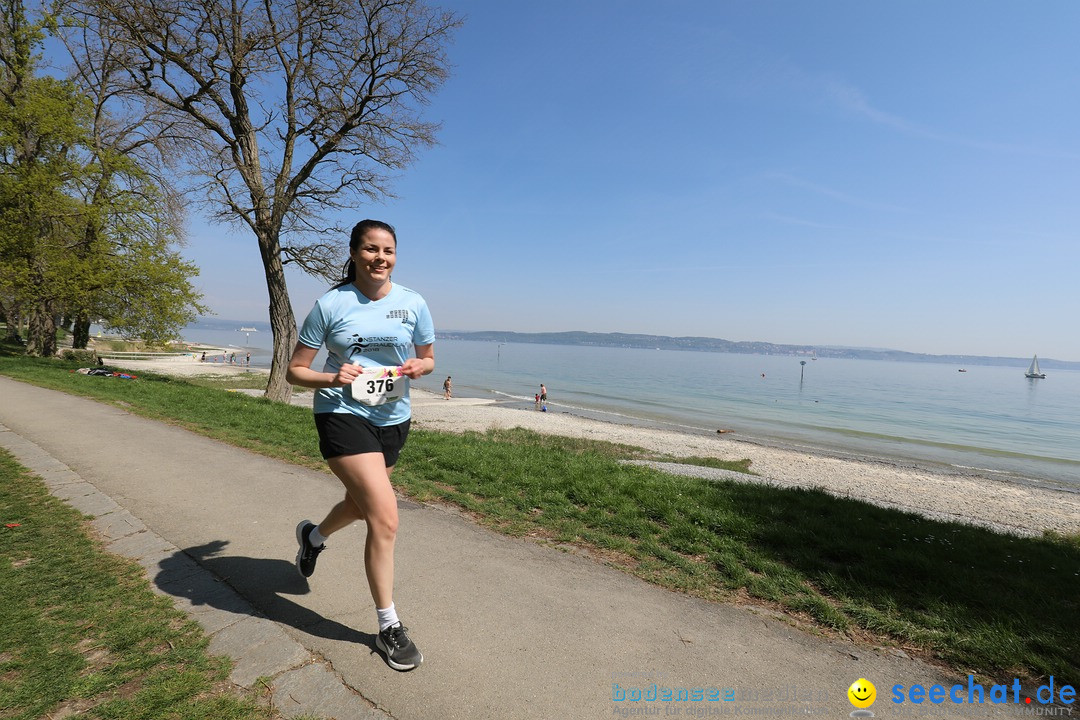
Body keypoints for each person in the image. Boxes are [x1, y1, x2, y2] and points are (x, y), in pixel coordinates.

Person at [286, 219, 435, 672]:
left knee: (361, 502)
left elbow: (429, 359)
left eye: (388, 251)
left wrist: (418, 367)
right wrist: (333, 376)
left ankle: (313, 537)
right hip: (341, 412)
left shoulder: (413, 303)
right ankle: (388, 626)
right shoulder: (330, 304)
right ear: (353, 253)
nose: (380, 258)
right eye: (371, 249)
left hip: (392, 417)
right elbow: (296, 370)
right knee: (385, 517)